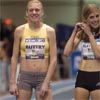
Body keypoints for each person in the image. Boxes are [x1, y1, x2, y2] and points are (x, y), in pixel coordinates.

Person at [9, 0, 57, 100]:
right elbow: (14, 58)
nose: (34, 12)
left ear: (42, 12)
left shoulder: (50, 31)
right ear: (27, 13)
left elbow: (54, 59)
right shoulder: (19, 31)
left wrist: (46, 82)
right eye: (31, 10)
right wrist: (12, 82)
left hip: (43, 77)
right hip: (25, 77)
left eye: (37, 10)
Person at [64, 4, 100, 100]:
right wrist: (74, 32)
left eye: (97, 16)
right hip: (82, 76)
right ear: (85, 19)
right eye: (91, 17)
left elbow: (98, 55)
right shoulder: (81, 34)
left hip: (98, 76)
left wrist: (90, 35)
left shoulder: (88, 33)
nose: (95, 19)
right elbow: (66, 53)